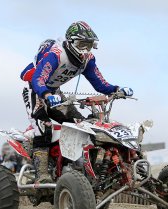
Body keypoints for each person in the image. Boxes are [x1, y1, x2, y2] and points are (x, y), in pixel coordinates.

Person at [20, 21, 133, 183]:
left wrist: (117, 89)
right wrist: (46, 95)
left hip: (56, 92)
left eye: (89, 45)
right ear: (70, 41)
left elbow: (99, 83)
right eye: (82, 45)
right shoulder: (57, 54)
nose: (85, 50)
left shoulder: (88, 60)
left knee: (79, 124)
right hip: (36, 92)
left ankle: (75, 164)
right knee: (43, 127)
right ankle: (41, 175)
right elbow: (38, 79)